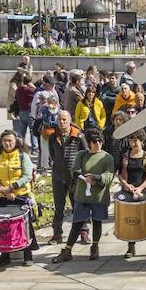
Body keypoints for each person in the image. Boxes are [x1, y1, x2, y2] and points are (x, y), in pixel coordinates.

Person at [53, 130, 115, 263]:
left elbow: (109, 175)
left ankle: (95, 246)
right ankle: (68, 250)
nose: (98, 144)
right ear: (89, 143)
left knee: (97, 222)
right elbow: (74, 169)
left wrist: (97, 178)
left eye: (100, 141)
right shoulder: (82, 155)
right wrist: (83, 176)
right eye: (94, 142)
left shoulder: (107, 157)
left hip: (99, 196)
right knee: (77, 222)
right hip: (82, 195)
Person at [0, 129, 37, 267]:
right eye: (5, 140)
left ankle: (28, 255)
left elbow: (27, 176)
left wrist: (11, 188)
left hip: (20, 196)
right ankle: (4, 256)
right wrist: (2, 189)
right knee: (2, 226)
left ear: (16, 141)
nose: (7, 143)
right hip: (3, 196)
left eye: (10, 140)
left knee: (25, 226)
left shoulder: (23, 156)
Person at [116, 130, 146, 260]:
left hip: (144, 192)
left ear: (141, 141)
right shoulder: (125, 156)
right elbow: (119, 173)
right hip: (128, 192)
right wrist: (126, 185)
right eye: (131, 140)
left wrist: (140, 188)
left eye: (136, 140)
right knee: (130, 219)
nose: (133, 143)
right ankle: (131, 247)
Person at [47, 110, 87, 246]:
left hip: (74, 177)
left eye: (64, 119)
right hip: (58, 175)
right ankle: (57, 233)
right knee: (59, 206)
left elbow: (85, 155)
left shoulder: (78, 136)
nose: (62, 122)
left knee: (78, 205)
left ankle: (83, 231)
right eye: (59, 119)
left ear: (70, 120)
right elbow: (52, 154)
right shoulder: (53, 137)